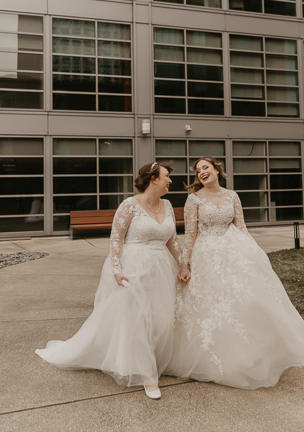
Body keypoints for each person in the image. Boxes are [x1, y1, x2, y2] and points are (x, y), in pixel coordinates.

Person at [36, 162, 191, 400]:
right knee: (140, 319)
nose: (171, 180)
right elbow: (116, 238)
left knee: (161, 319)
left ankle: (157, 360)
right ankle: (148, 375)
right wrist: (116, 270)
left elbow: (172, 240)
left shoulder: (168, 205)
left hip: (161, 269)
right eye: (167, 176)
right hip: (134, 268)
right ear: (154, 179)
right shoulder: (129, 205)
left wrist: (182, 263)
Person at [169, 156, 304, 389]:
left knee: (245, 300)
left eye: (205, 167)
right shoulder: (193, 199)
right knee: (214, 305)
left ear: (217, 170)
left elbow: (241, 227)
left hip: (234, 252)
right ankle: (217, 359)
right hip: (207, 255)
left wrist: (254, 252)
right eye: (198, 170)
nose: (201, 172)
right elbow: (190, 234)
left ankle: (250, 355)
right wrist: (184, 263)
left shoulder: (232, 196)